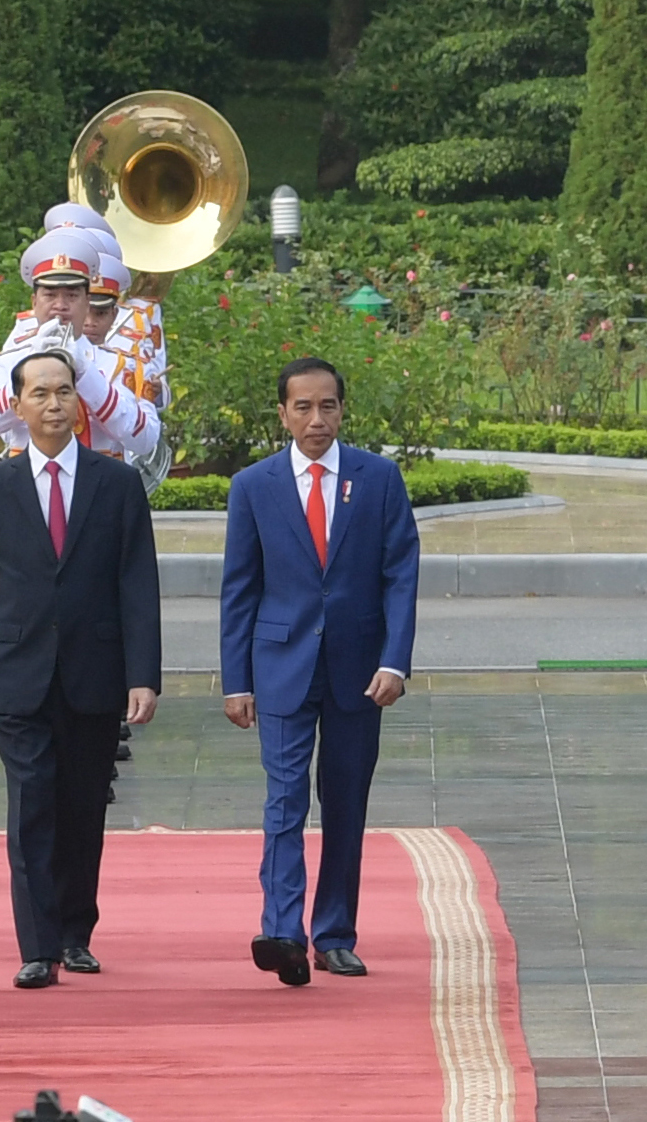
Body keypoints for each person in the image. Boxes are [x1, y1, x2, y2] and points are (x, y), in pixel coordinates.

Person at [0, 345, 161, 989]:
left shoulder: (118, 484)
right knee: (31, 807)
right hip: (16, 674)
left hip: (94, 674)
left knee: (82, 808)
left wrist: (143, 675)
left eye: (64, 392)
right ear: (17, 407)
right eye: (40, 394)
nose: (54, 403)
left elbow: (138, 585)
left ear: (81, 402)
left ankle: (76, 932)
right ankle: (38, 946)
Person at [220, 357, 420, 986]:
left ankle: (334, 934)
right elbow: (240, 589)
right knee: (284, 801)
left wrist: (395, 660)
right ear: (282, 414)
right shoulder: (254, 486)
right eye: (302, 407)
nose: (316, 419)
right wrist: (237, 679)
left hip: (360, 670)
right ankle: (283, 931)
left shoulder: (378, 479)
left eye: (327, 406)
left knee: (344, 802)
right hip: (280, 666)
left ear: (341, 410)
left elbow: (401, 577)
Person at [0, 232, 162, 467]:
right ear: (34, 302)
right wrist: (31, 358)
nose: (60, 306)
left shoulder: (118, 364)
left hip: (98, 489)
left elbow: (144, 440)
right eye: (50, 295)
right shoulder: (13, 359)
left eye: (72, 296)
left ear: (87, 303)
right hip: (29, 487)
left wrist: (86, 373)